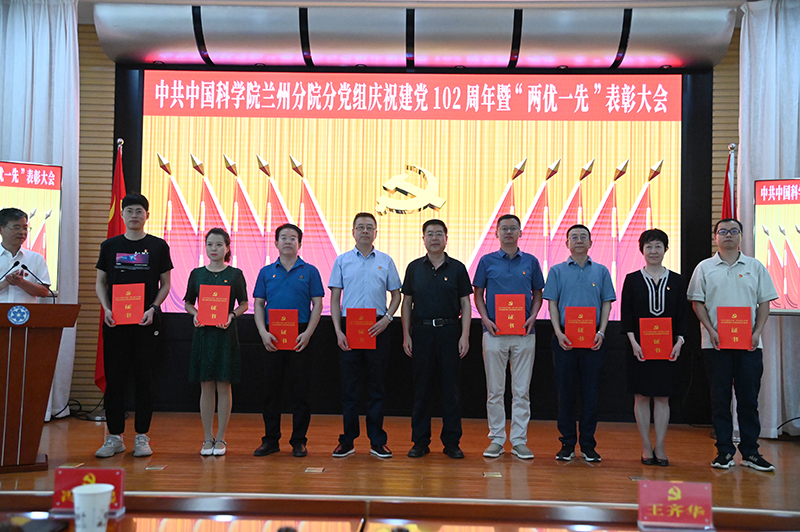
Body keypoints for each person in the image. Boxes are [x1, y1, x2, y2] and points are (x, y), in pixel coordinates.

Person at [687, 218, 778, 471]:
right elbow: (697, 303)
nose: (728, 235)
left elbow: (764, 303)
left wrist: (757, 332)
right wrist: (711, 330)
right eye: (723, 231)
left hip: (749, 345)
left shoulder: (755, 266)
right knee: (720, 400)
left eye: (734, 231)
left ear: (741, 236)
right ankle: (724, 451)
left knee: (748, 400)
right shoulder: (704, 267)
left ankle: (750, 452)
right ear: (715, 236)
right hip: (715, 345)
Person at [95, 193, 173, 458]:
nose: (134, 215)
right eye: (129, 211)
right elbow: (100, 282)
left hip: (146, 322)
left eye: (139, 211)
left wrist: (153, 308)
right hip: (115, 322)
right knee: (115, 380)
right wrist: (107, 309)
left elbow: (166, 284)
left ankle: (142, 436)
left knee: (144, 380)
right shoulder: (110, 246)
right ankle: (114, 437)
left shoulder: (158, 246)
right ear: (122, 215)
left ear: (147, 215)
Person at [329, 213, 402, 459]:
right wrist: (338, 330)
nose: (364, 231)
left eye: (369, 227)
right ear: (353, 232)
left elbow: (396, 295)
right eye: (360, 227)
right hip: (349, 328)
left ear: (375, 233)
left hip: (377, 327)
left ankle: (377, 441)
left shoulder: (386, 260)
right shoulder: (342, 261)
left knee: (376, 388)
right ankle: (347, 441)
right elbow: (335, 299)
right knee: (349, 389)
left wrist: (387, 319)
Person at [473, 214, 544, 459]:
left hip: (525, 333)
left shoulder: (531, 261)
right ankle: (496, 439)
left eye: (513, 228)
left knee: (521, 391)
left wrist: (533, 317)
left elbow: (538, 293)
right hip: (494, 333)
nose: (509, 232)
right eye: (504, 228)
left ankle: (519, 441)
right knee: (495, 391)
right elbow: (478, 294)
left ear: (520, 233)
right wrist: (485, 320)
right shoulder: (486, 261)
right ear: (497, 233)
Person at [543, 224, 615, 463]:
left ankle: (588, 445)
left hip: (593, 340)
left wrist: (602, 332)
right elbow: (552, 303)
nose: (579, 240)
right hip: (564, 339)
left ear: (591, 243)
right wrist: (557, 332)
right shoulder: (557, 271)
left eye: (583, 236)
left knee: (590, 394)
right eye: (574, 237)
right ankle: (566, 444)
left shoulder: (602, 271)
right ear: (567, 243)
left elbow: (607, 303)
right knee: (565, 394)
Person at [401, 219, 472, 459]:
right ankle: (420, 442)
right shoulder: (414, 268)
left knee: (451, 390)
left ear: (446, 239)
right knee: (421, 390)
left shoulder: (457, 268)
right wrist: (406, 334)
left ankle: (452, 442)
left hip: (450, 332)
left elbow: (465, 303)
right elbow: (406, 303)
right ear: (423, 239)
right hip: (421, 333)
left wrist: (465, 335)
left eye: (439, 233)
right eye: (430, 234)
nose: (434, 238)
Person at [252, 223, 324, 458]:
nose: (288, 241)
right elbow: (259, 304)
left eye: (293, 238)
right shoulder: (266, 272)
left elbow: (318, 304)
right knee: (270, 391)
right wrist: (263, 332)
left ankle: (299, 441)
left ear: (299, 244)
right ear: (276, 243)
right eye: (283, 237)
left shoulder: (310, 271)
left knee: (300, 391)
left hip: (301, 334)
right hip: (272, 334)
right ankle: (270, 440)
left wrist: (308, 333)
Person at [620, 229, 688, 467]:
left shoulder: (677, 280)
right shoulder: (632, 279)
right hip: (638, 348)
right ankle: (645, 446)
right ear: (642, 250)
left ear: (666, 249)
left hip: (668, 349)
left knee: (662, 397)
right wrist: (633, 343)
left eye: (658, 246)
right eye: (648, 246)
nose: (653, 251)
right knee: (640, 396)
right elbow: (627, 314)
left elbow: (683, 315)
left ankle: (660, 446)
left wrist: (679, 342)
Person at [184, 228, 248, 456]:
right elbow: (188, 303)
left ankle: (221, 438)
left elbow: (244, 304)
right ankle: (206, 438)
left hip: (225, 334)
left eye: (219, 245)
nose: (214, 249)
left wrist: (232, 315)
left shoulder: (235, 274)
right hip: (204, 335)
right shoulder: (197, 274)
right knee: (206, 385)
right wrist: (195, 314)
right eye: (210, 244)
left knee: (224, 384)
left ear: (227, 248)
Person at [0, 207, 51, 302]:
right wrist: (4, 283)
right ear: (1, 229)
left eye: (25, 228)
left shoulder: (36, 258)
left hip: (25, 311)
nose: (22, 232)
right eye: (16, 227)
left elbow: (44, 291)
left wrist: (21, 283)